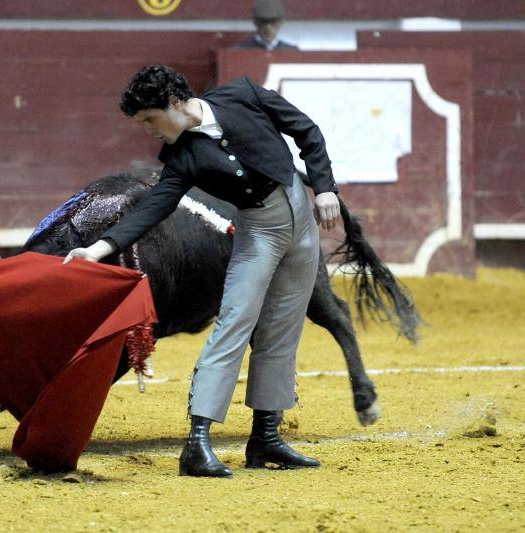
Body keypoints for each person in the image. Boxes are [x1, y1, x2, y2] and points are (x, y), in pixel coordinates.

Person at [64, 64, 340, 477]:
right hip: (259, 232)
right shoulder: (181, 156)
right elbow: (156, 206)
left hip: (302, 223)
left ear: (176, 103)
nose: (150, 130)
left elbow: (307, 131)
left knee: (281, 329)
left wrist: (326, 186)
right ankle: (197, 444)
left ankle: (266, 438)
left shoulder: (243, 94)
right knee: (233, 323)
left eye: (151, 119)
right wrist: (99, 249)